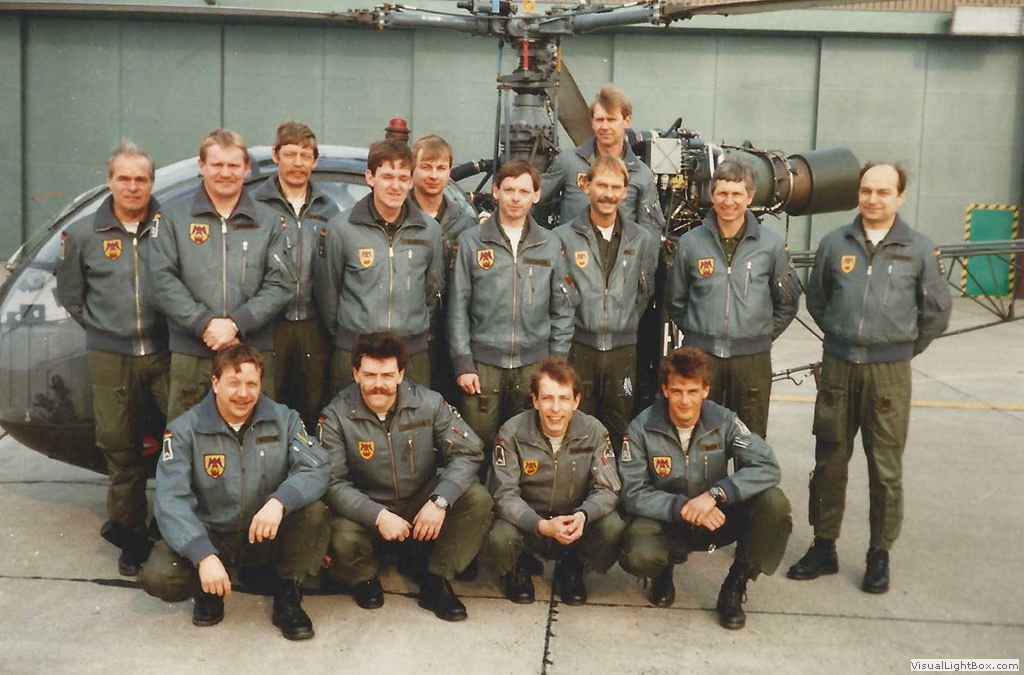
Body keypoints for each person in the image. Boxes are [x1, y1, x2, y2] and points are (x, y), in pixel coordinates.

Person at [787, 163, 952, 594]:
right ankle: (824, 546)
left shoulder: (919, 249)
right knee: (829, 462)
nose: (873, 199)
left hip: (888, 375)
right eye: (866, 190)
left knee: (885, 469)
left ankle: (879, 554)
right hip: (839, 367)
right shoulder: (833, 243)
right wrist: (842, 336)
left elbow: (936, 313)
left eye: (883, 192)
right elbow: (818, 299)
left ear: (899, 197)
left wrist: (899, 349)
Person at [138, 345, 330, 640]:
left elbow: (316, 467)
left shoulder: (284, 419)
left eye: (252, 384)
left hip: (262, 533)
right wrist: (203, 555)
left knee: (314, 512)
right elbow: (170, 499)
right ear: (215, 383)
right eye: (234, 383)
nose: (243, 393)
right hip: (212, 534)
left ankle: (288, 593)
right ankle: (207, 589)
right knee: (160, 576)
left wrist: (279, 502)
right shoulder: (184, 431)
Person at [318, 333, 493, 622]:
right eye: (370, 375)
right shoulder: (335, 416)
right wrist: (377, 515)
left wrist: (439, 501)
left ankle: (436, 579)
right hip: (368, 509)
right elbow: (332, 481)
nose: (378, 384)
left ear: (401, 374)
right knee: (338, 535)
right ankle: (364, 577)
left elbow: (469, 451)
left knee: (477, 498)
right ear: (355, 374)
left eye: (387, 375)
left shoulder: (429, 403)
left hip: (419, 503)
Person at [56, 140, 170, 576]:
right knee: (122, 450)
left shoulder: (171, 226)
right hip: (112, 357)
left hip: (164, 351)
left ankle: (170, 530)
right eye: (124, 178)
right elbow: (71, 295)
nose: (133, 186)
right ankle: (131, 537)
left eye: (141, 179)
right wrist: (105, 330)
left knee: (181, 442)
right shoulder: (84, 235)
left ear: (152, 183)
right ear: (109, 181)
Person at [619, 347, 792, 630]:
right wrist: (683, 507)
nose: (685, 400)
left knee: (774, 503)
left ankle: (735, 584)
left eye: (692, 391)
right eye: (677, 391)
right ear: (665, 389)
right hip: (667, 518)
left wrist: (717, 493)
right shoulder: (642, 427)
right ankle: (662, 571)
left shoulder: (724, 421)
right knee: (639, 554)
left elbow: (768, 465)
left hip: (715, 516)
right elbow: (632, 492)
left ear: (706, 390)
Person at [148, 128, 290, 422]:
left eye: (233, 165)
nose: (225, 173)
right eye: (217, 164)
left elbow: (280, 284)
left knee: (258, 435)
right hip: (193, 352)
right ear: (201, 166)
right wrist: (204, 324)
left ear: (246, 168)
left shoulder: (269, 221)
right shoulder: (173, 217)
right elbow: (161, 281)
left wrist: (237, 324)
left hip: (252, 353)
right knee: (188, 435)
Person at [448, 159, 578, 455]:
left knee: (526, 447)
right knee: (476, 448)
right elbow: (457, 308)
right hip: (483, 366)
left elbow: (563, 309)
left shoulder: (550, 244)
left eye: (523, 191)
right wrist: (463, 363)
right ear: (496, 191)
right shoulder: (471, 242)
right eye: (508, 190)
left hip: (533, 365)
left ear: (536, 195)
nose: (515, 198)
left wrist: (555, 363)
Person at [666, 159, 801, 438]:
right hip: (703, 357)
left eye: (737, 194)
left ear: (750, 197)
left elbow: (787, 302)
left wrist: (760, 334)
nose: (729, 201)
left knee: (750, 438)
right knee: (702, 436)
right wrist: (700, 332)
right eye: (722, 193)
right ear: (712, 195)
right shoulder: (690, 243)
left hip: (752, 360)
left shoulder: (771, 245)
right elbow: (676, 300)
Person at [486, 357, 623, 606]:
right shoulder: (512, 432)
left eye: (564, 398)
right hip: (530, 524)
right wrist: (541, 525)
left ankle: (573, 567)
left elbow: (608, 488)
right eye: (548, 398)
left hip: (574, 523)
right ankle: (517, 568)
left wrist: (583, 515)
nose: (556, 408)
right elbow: (504, 494)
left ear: (576, 401)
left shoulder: (594, 431)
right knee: (500, 536)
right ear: (535, 401)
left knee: (612, 527)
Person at [313, 139, 443, 391]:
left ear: (411, 181)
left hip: (411, 354)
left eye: (403, 178)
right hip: (357, 352)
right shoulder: (341, 229)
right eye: (387, 177)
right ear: (370, 178)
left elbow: (432, 291)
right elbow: (328, 295)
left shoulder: (430, 231)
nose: (396, 186)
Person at [553, 155, 658, 453]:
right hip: (580, 349)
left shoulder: (641, 239)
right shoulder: (562, 238)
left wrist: (624, 322)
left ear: (625, 191)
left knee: (620, 423)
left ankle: (616, 482)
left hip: (623, 355)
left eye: (615, 187)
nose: (608, 194)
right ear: (586, 185)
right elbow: (559, 296)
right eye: (601, 185)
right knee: (578, 425)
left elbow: (644, 291)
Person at [253, 121, 339, 433]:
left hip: (314, 326)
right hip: (268, 325)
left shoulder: (328, 209)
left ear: (315, 161)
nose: (298, 163)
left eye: (305, 156)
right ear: (275, 155)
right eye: (290, 154)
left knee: (313, 406)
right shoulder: (256, 206)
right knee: (267, 404)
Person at [410, 134, 479, 402]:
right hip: (413, 332)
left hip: (452, 332)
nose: (433, 175)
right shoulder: (401, 215)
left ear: (450, 172)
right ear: (413, 169)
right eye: (426, 167)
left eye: (441, 168)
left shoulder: (464, 223)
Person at [539, 83, 664, 232]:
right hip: (572, 246)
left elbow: (650, 231)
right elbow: (532, 198)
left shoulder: (641, 175)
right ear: (592, 122)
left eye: (611, 120)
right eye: (599, 120)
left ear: (627, 121)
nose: (604, 127)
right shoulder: (569, 162)